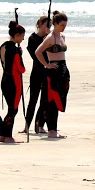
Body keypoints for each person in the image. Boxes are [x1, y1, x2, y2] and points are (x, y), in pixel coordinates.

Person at [36, 11, 70, 139]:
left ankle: (53, 128)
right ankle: (51, 130)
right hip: (53, 69)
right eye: (61, 25)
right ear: (55, 24)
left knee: (60, 98)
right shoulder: (50, 38)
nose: (63, 27)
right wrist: (47, 64)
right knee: (52, 100)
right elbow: (38, 52)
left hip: (63, 68)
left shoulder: (62, 37)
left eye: (65, 25)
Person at [0, 20, 26, 142]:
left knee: (11, 108)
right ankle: (7, 135)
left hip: (5, 79)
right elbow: (21, 69)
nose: (23, 39)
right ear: (17, 35)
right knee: (13, 109)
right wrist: (20, 54)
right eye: (22, 36)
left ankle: (3, 135)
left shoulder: (3, 46)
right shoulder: (14, 50)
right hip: (14, 82)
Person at [24, 15, 50, 133]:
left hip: (47, 71)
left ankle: (40, 124)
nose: (48, 27)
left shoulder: (49, 38)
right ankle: (27, 125)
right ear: (39, 25)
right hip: (37, 70)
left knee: (45, 99)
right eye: (46, 25)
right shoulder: (32, 38)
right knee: (33, 99)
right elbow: (35, 55)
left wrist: (48, 39)